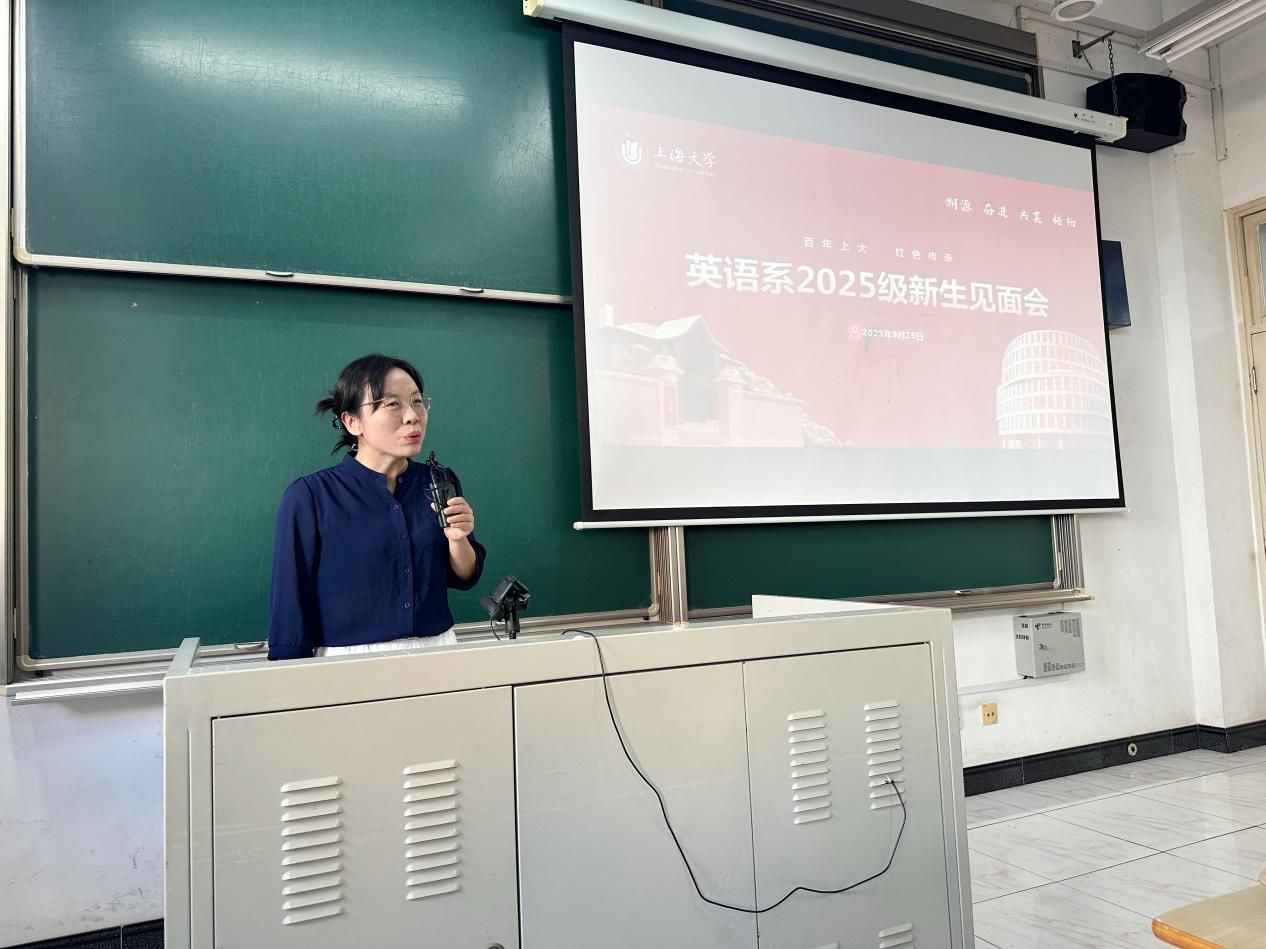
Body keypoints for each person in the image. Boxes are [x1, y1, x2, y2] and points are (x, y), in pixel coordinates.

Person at [267, 354, 485, 660]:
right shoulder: (310, 496)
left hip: (439, 651)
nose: (412, 416)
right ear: (352, 421)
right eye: (392, 404)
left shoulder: (439, 481)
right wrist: (288, 677)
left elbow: (464, 577)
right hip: (348, 661)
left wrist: (459, 539)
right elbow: (290, 600)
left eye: (418, 401)